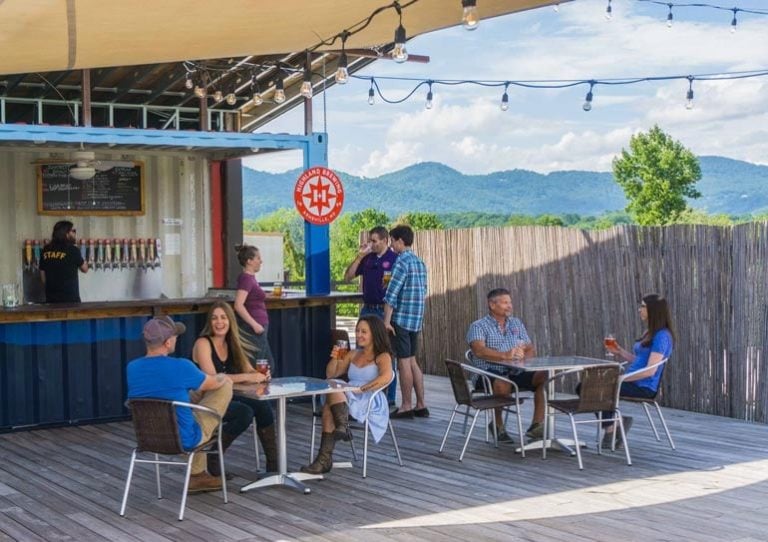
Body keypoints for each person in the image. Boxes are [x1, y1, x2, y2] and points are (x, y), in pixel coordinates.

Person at [126, 315, 233, 494]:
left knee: (187, 397)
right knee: (225, 386)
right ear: (168, 343)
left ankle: (198, 476)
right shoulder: (182, 366)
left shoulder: (132, 368)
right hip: (184, 439)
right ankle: (197, 473)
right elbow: (214, 384)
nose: (177, 338)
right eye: (175, 336)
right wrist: (224, 376)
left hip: (149, 437)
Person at [192, 301, 278, 476]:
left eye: (223, 318)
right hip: (204, 400)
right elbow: (213, 379)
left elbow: (249, 370)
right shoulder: (203, 343)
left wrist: (261, 375)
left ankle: (274, 465)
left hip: (225, 397)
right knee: (244, 412)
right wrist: (249, 377)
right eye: (215, 318)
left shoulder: (232, 343)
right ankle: (214, 457)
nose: (219, 322)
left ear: (230, 321)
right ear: (209, 322)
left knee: (262, 406)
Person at [301, 315, 393, 474]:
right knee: (332, 386)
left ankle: (324, 459)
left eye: (364, 331)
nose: (359, 335)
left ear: (375, 333)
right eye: (357, 331)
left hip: (368, 397)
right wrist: (336, 357)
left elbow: (385, 377)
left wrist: (361, 389)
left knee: (330, 404)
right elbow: (331, 374)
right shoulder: (353, 354)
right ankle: (341, 428)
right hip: (346, 396)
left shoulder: (382, 356)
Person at [467, 288, 547, 442]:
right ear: (492, 305)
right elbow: (479, 351)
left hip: (515, 371)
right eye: (505, 303)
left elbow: (529, 348)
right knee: (503, 382)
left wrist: (524, 359)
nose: (509, 306)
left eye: (510, 302)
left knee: (543, 375)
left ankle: (537, 425)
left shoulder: (516, 323)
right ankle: (497, 424)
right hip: (486, 373)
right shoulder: (478, 326)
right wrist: (505, 356)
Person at [600, 293, 675, 447]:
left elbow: (650, 371)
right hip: (632, 381)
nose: (639, 310)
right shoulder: (650, 333)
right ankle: (614, 425)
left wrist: (620, 379)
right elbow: (640, 361)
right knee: (585, 387)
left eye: (642, 306)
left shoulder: (662, 336)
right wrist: (620, 351)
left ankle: (612, 428)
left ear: (653, 310)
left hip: (643, 387)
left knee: (599, 388)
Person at [344, 225, 399, 404]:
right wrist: (359, 256)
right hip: (367, 308)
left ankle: (388, 398)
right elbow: (348, 276)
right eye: (370, 241)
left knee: (386, 351)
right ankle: (360, 393)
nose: (372, 244)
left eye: (375, 241)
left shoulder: (394, 259)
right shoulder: (367, 259)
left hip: (384, 310)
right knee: (362, 348)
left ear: (385, 241)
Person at [383, 224, 429, 419]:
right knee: (412, 360)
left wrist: (386, 321)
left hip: (401, 319)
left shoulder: (401, 262)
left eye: (392, 241)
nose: (392, 245)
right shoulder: (420, 262)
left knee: (403, 363)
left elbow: (391, 295)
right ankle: (421, 404)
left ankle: (406, 406)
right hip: (416, 319)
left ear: (400, 241)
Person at [233, 244, 275, 369]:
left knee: (268, 364)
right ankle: (253, 388)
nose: (260, 261)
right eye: (258, 258)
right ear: (249, 261)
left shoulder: (251, 279)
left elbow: (252, 297)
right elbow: (238, 305)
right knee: (258, 364)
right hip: (254, 327)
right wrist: (254, 324)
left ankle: (260, 387)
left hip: (260, 325)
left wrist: (269, 295)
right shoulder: (246, 279)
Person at [39, 220, 88, 303]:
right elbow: (85, 269)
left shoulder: (46, 249)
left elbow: (43, 277)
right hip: (70, 301)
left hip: (51, 300)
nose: (75, 234)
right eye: (73, 231)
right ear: (67, 233)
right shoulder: (73, 250)